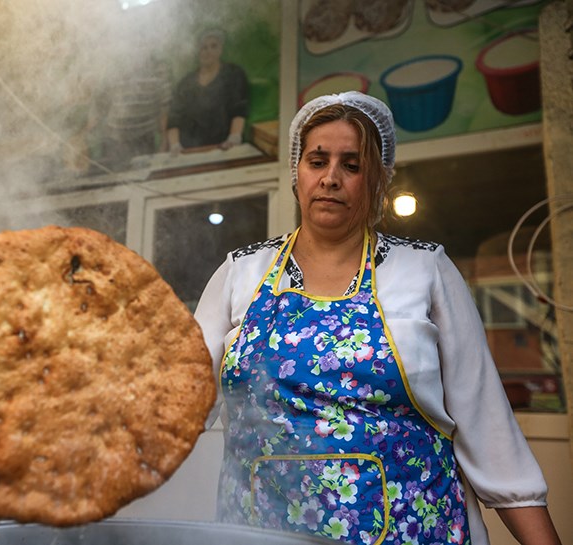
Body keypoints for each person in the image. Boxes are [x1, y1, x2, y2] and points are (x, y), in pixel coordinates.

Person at [194, 91, 561, 545]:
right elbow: (179, 405)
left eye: (351, 165)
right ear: (296, 173)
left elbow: (490, 434)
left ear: (377, 180)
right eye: (317, 161)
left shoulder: (424, 270)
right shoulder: (241, 271)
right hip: (257, 533)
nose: (330, 178)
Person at [167, 29, 249, 153]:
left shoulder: (233, 74)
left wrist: (234, 138)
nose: (208, 51)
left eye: (213, 46)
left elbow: (239, 110)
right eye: (204, 47)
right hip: (190, 151)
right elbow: (174, 119)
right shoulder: (185, 83)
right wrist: (175, 145)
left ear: (220, 49)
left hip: (225, 148)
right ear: (198, 52)